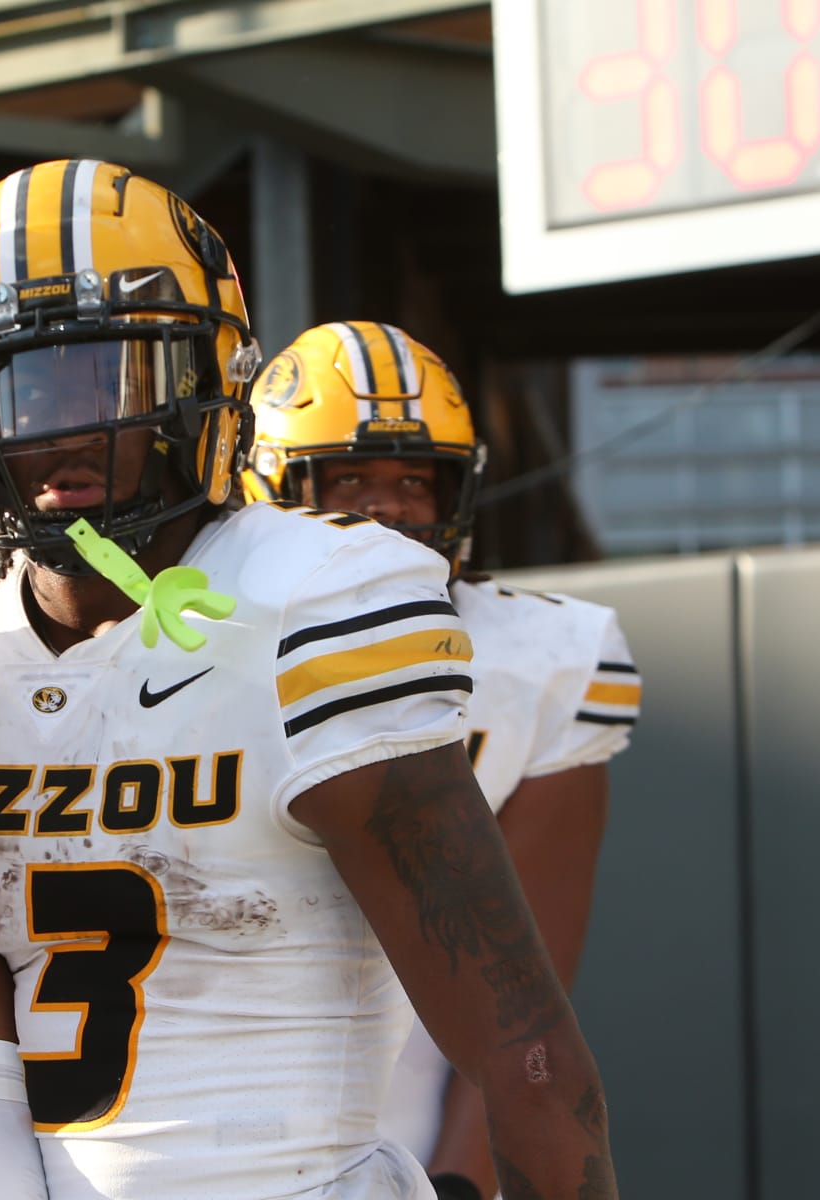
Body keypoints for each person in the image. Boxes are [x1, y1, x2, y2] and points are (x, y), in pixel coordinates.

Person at [0, 159, 618, 1199]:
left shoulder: (315, 602)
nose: (56, 424)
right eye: (9, 381)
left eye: (108, 373)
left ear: (204, 375)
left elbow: (526, 1050)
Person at [245, 321, 641, 1200]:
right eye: (348, 477)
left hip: (409, 1104)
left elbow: (523, 994)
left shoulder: (549, 659)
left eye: (416, 482)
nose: (387, 509)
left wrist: (461, 1180)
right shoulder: (188, 645)